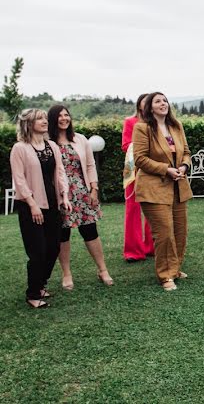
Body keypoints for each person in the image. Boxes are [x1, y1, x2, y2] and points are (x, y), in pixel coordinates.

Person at [10, 109, 71, 308]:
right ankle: (33, 294)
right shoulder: (19, 148)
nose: (45, 121)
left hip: (52, 204)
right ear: (29, 123)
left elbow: (60, 173)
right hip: (31, 206)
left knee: (53, 247)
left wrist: (64, 195)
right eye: (39, 118)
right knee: (37, 251)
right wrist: (32, 204)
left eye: (45, 118)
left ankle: (40, 283)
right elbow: (18, 179)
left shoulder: (51, 145)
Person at [48, 104, 114, 289]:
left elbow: (91, 165)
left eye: (66, 115)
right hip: (59, 194)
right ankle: (67, 273)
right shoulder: (48, 142)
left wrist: (94, 189)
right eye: (59, 116)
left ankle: (102, 270)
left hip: (82, 192)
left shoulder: (80, 139)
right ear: (53, 119)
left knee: (90, 231)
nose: (64, 118)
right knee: (62, 234)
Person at [132, 92, 193, 291]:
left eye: (165, 100)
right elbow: (140, 159)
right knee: (164, 233)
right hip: (153, 188)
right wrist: (165, 170)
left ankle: (175, 268)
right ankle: (166, 275)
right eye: (158, 101)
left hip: (178, 186)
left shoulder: (176, 126)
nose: (163, 103)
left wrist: (183, 167)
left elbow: (186, 152)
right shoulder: (142, 128)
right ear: (149, 107)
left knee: (180, 232)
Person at [122, 93, 155, 262]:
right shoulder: (130, 122)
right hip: (134, 170)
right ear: (139, 105)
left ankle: (152, 247)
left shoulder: (156, 123)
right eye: (145, 103)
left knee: (154, 208)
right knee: (133, 209)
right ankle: (133, 251)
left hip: (153, 170)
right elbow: (125, 145)